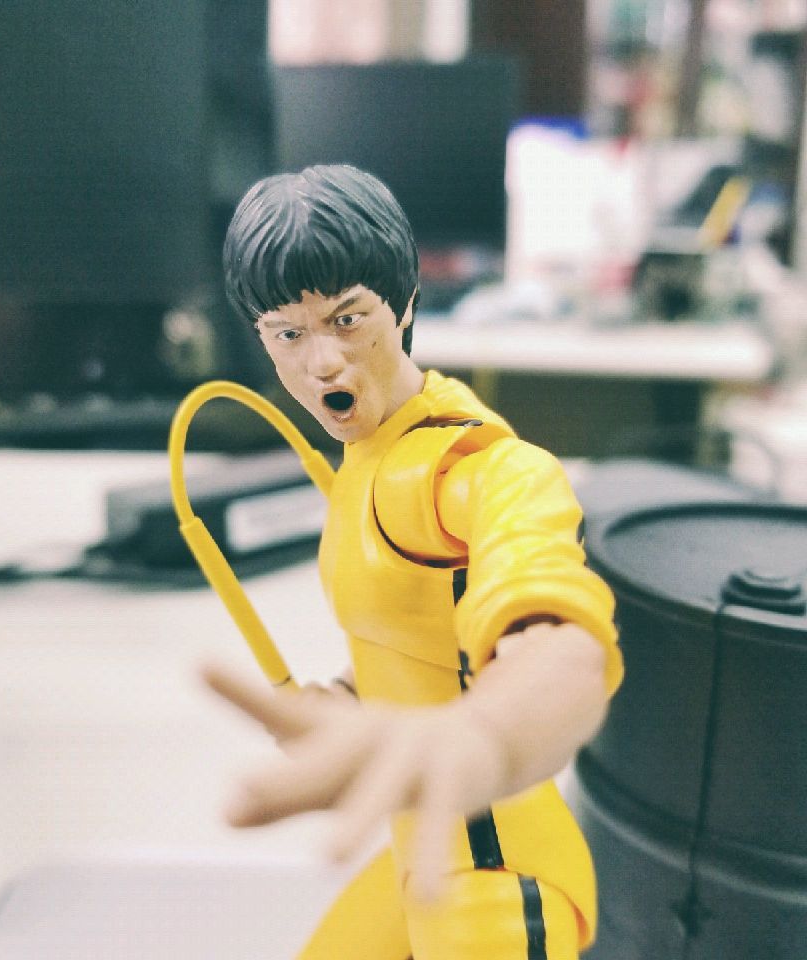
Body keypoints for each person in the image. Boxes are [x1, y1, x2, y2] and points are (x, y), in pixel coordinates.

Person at [206, 163, 624, 960]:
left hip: (493, 867)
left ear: (402, 306)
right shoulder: (370, 456)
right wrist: (347, 705)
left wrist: (486, 737)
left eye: (347, 320)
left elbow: (563, 648)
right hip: (420, 844)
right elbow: (422, 639)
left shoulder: (480, 473)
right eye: (288, 334)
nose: (321, 361)